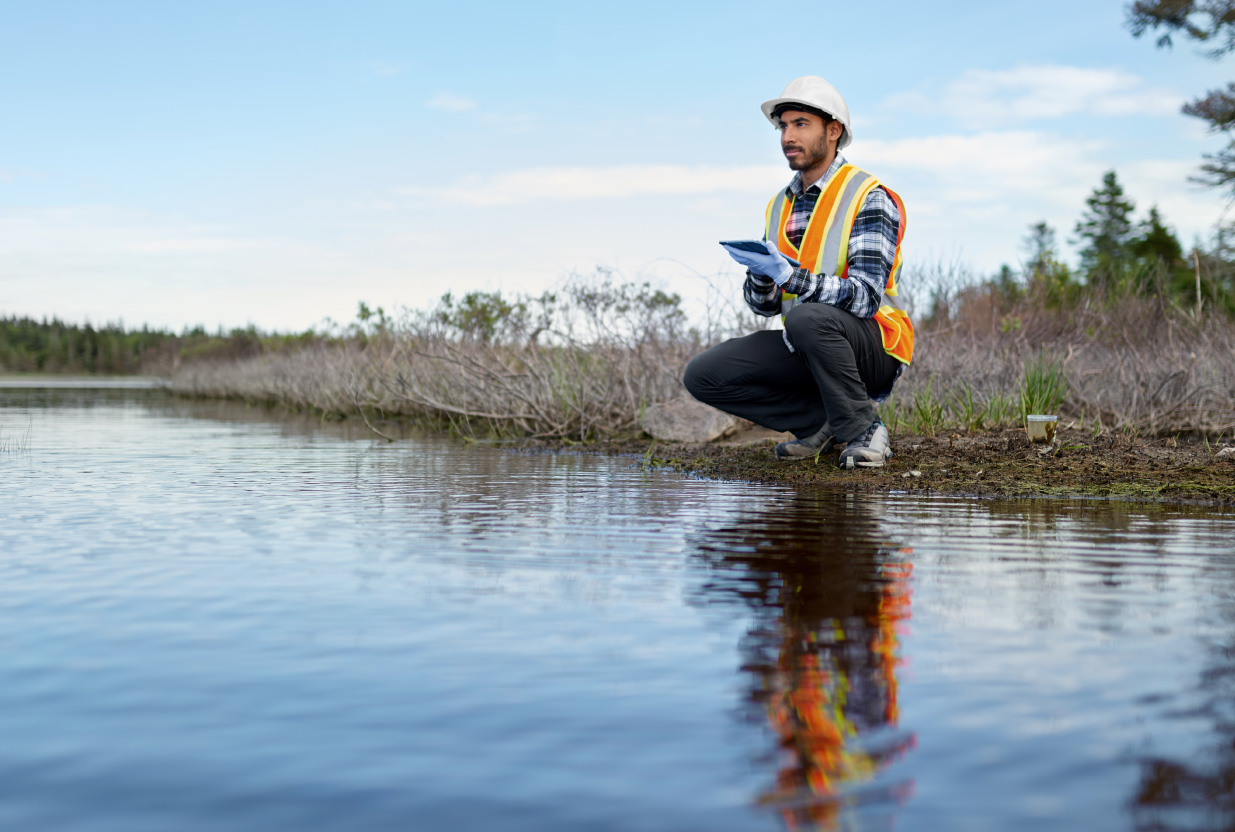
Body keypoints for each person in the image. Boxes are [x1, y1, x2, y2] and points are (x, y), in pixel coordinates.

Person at [683, 76, 914, 469]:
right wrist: (761, 274)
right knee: (703, 374)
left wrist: (792, 278)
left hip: (873, 346)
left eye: (801, 124)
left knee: (808, 317)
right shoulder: (778, 206)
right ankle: (820, 423)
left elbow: (865, 295)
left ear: (834, 130)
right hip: (806, 341)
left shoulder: (868, 196)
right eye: (783, 126)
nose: (788, 135)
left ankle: (864, 430)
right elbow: (765, 306)